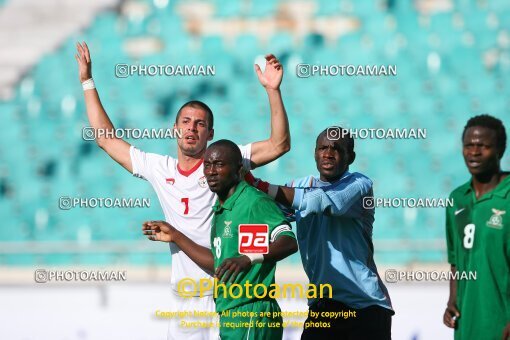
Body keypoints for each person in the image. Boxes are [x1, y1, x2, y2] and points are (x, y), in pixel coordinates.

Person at [75, 42, 291, 340]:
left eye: (200, 124)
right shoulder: (159, 168)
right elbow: (107, 140)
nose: (192, 128)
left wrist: (272, 90)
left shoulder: (223, 163)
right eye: (186, 122)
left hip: (226, 293)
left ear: (210, 134)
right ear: (175, 129)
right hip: (185, 296)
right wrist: (87, 81)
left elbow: (279, 144)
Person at [244, 126, 394, 339]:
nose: (328, 153)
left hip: (364, 306)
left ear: (350, 156)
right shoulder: (298, 186)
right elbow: (265, 214)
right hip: (322, 305)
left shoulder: (360, 184)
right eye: (322, 147)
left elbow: (321, 202)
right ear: (315, 153)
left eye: (336, 148)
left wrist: (255, 182)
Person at [143, 140, 298, 340]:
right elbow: (219, 264)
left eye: (219, 164)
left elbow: (288, 241)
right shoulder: (221, 210)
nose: (211, 171)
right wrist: (176, 236)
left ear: (239, 169)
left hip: (252, 312)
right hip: (230, 315)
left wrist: (249, 258)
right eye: (207, 165)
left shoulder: (254, 202)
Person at [443, 114, 509, 340]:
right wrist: (453, 299)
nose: (474, 152)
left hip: (502, 321)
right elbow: (456, 260)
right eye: (469, 145)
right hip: (467, 322)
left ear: (500, 150)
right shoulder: (456, 199)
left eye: (483, 146)